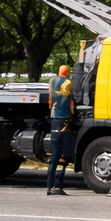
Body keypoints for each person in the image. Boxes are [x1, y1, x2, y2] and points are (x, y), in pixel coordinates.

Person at [47, 64, 76, 195]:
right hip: (65, 121)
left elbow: (50, 100)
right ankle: (58, 186)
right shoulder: (69, 83)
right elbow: (71, 103)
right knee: (63, 157)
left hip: (54, 119)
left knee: (54, 156)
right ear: (68, 72)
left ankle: (49, 187)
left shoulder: (52, 81)